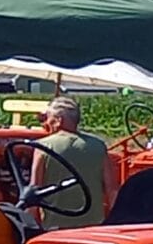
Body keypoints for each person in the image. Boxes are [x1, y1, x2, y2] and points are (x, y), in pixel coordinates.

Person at [29, 96, 109, 230]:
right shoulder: (99, 145)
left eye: (47, 118)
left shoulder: (43, 146)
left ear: (59, 120)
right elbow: (111, 188)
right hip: (93, 224)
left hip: (55, 225)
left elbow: (34, 190)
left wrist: (31, 225)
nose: (45, 123)